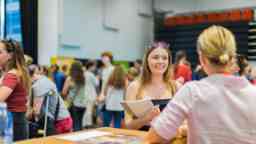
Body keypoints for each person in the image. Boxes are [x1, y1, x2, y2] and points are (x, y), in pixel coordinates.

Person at [146, 25, 256, 144]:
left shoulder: (192, 92)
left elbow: (153, 137)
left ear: (202, 59)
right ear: (232, 58)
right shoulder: (253, 94)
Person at [125, 41, 176, 130]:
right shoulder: (134, 87)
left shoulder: (175, 86)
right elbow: (128, 125)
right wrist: (146, 119)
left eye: (164, 58)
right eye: (155, 57)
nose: (160, 61)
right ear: (147, 60)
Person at [27, 65, 72, 136]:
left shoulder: (38, 85)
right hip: (63, 119)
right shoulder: (43, 79)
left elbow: (36, 111)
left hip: (59, 122)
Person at [0, 39, 31, 141]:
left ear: (10, 55)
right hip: (17, 121)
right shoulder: (18, 72)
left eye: (0, 52)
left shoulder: (12, 75)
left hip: (13, 123)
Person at [62, 61, 87, 131]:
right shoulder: (84, 78)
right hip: (83, 104)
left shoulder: (70, 79)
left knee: (75, 124)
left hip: (73, 104)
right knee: (80, 123)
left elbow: (64, 92)